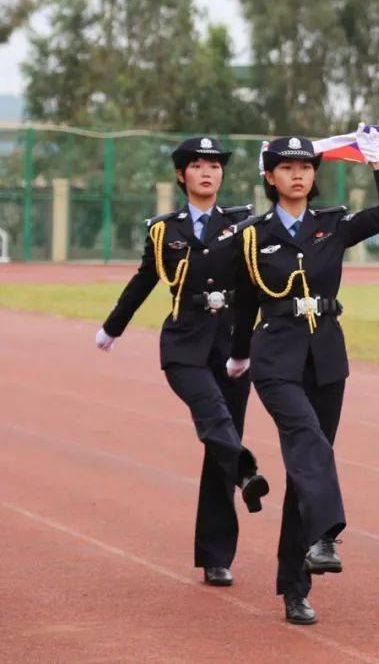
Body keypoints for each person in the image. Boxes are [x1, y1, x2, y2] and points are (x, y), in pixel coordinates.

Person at [229, 127, 379, 625]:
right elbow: (245, 302)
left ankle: (293, 587)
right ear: (270, 176)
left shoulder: (333, 224)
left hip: (326, 354)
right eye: (287, 167)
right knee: (308, 442)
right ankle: (327, 534)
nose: (298, 175)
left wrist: (378, 161)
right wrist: (239, 355)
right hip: (277, 356)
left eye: (306, 167)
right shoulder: (253, 235)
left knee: (309, 465)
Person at [94, 136, 269, 588]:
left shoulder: (242, 223)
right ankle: (246, 465)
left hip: (232, 346)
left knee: (217, 449)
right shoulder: (163, 230)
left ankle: (216, 557)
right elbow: (143, 281)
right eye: (198, 165)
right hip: (184, 346)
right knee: (214, 418)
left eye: (215, 165)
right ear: (181, 175)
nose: (208, 172)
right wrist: (113, 327)